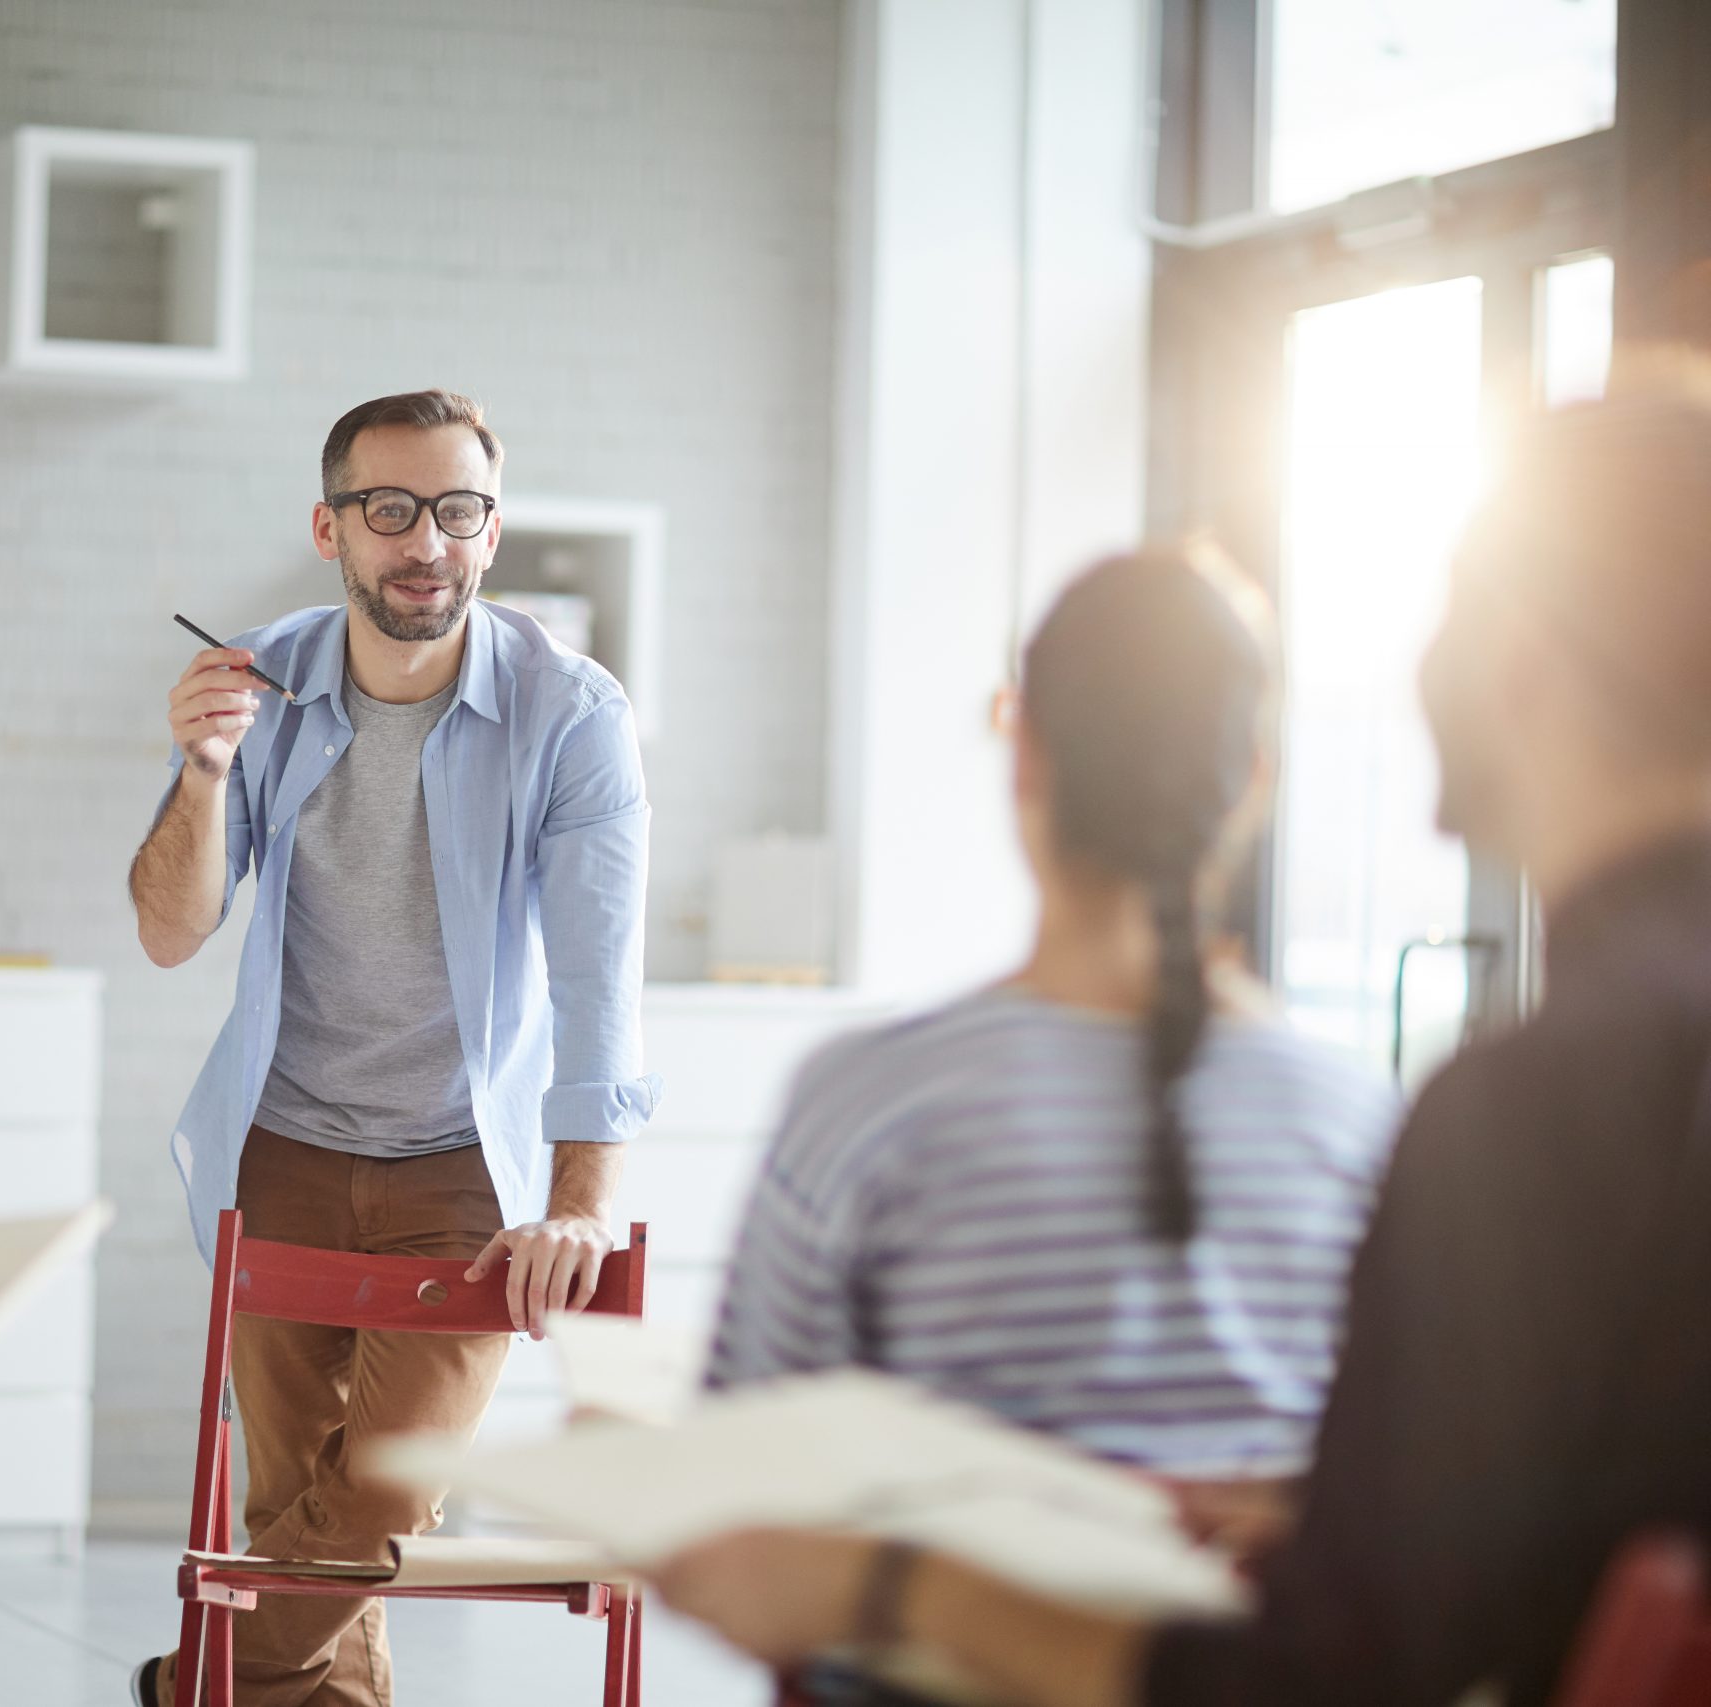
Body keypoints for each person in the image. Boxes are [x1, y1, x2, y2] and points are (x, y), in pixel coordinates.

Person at [649, 366, 1711, 1707]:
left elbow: (1331, 1674)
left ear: (1523, 660)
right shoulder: (1381, 1105)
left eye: (1446, 600)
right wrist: (1319, 1507)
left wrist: (886, 1581)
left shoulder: (1543, 1101)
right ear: (1248, 778)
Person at [707, 547, 1398, 1572]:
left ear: (1023, 751)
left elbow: (752, 1500)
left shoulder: (873, 1099)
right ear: (1254, 777)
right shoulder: (1362, 1123)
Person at [127, 389, 659, 1706]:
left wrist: (584, 1205)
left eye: (457, 509)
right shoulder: (260, 682)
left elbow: (600, 979)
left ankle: (193, 1679)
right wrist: (201, 773)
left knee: (381, 1494)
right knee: (295, 1508)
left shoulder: (572, 715)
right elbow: (167, 929)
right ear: (332, 527)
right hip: (286, 1145)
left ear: (492, 530)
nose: (426, 540)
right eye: (390, 509)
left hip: (461, 1175)